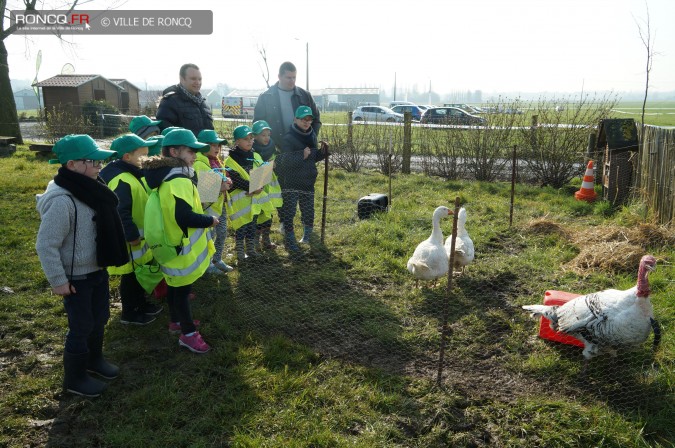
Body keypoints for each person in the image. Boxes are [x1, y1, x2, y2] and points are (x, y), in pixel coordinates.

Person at [36, 134, 128, 397]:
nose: (100, 166)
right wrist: (58, 280)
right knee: (81, 325)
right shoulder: (63, 201)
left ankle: (94, 360)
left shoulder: (91, 188)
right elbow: (46, 245)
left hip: (96, 268)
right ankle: (75, 379)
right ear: (72, 165)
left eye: (100, 161)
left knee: (100, 317)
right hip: (75, 278)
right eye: (93, 161)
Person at [142, 129, 216, 353]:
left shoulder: (165, 176)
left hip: (170, 244)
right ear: (174, 151)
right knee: (182, 292)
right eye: (191, 151)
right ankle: (188, 334)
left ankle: (175, 321)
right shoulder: (179, 180)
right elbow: (183, 216)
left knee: (175, 287)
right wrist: (210, 220)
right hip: (180, 247)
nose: (195, 155)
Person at [100, 134, 163, 325]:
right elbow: (120, 210)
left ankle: (140, 304)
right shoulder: (121, 179)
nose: (146, 159)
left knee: (138, 275)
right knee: (130, 277)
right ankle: (130, 312)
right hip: (131, 241)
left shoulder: (132, 173)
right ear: (127, 157)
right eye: (142, 155)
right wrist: (132, 235)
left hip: (138, 241)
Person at [277, 106, 328, 253]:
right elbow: (283, 161)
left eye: (309, 119)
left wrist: (323, 153)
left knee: (308, 210)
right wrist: (301, 156)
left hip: (308, 180)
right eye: (303, 119)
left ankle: (306, 236)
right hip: (291, 182)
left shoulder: (312, 135)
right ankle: (290, 237)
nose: (306, 122)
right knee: (290, 211)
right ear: (295, 119)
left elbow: (312, 158)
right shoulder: (288, 138)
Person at [224, 125, 275, 263]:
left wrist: (261, 184)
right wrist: (253, 187)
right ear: (237, 141)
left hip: (254, 201)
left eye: (251, 138)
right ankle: (240, 253)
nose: (250, 141)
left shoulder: (255, 155)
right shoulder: (230, 160)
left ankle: (251, 250)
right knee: (241, 227)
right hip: (241, 202)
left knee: (252, 226)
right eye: (246, 139)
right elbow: (235, 179)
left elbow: (262, 173)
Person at [253, 61, 321, 149]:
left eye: (294, 77)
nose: (292, 81)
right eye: (288, 77)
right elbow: (258, 124)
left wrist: (311, 138)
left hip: (303, 148)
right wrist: (267, 145)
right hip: (276, 149)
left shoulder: (305, 95)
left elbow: (316, 120)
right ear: (279, 77)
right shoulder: (265, 97)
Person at [195, 129, 235, 274]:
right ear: (203, 146)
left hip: (220, 205)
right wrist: (220, 188)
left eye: (218, 145)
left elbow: (220, 177)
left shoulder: (216, 161)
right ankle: (207, 264)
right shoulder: (200, 163)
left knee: (222, 232)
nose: (217, 148)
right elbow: (203, 193)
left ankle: (217, 259)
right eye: (213, 145)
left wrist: (226, 179)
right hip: (208, 208)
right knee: (209, 235)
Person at [156, 63, 214, 137]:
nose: (198, 82)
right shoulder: (169, 102)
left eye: (200, 79)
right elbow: (167, 134)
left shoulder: (203, 104)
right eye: (193, 79)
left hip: (206, 148)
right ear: (182, 79)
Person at [252, 120, 282, 250]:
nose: (266, 138)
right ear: (255, 136)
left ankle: (266, 239)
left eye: (268, 134)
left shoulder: (272, 148)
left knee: (268, 213)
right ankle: (255, 241)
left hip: (269, 186)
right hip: (258, 186)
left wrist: (275, 164)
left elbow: (277, 162)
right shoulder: (252, 151)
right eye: (263, 135)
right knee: (258, 214)